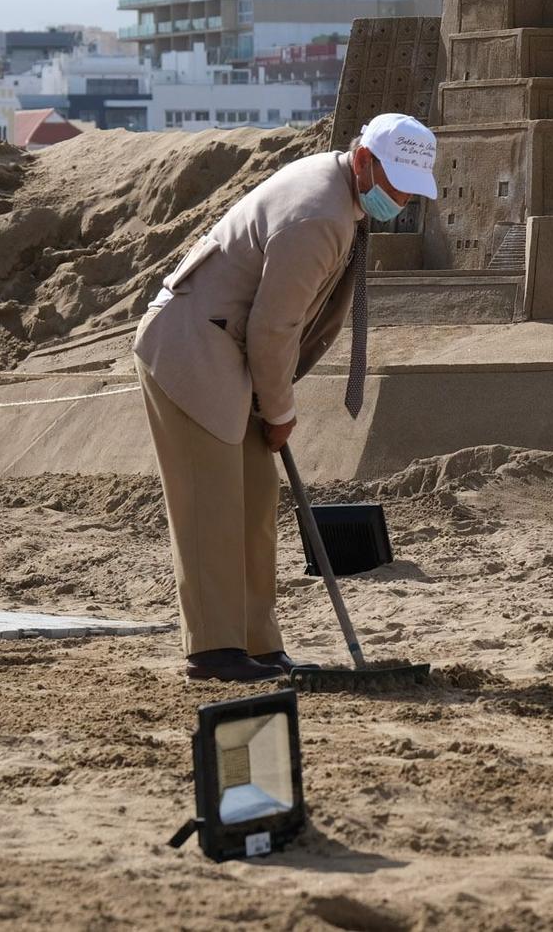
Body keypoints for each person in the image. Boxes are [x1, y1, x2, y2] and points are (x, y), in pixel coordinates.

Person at [132, 113, 438, 681]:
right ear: (365, 160)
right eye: (395, 184)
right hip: (195, 349)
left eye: (410, 192)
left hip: (231, 350)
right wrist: (280, 413)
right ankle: (215, 650)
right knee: (213, 501)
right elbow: (273, 330)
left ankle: (258, 643)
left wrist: (271, 406)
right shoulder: (320, 216)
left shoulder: (339, 196)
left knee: (253, 498)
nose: (400, 200)